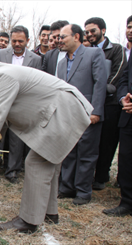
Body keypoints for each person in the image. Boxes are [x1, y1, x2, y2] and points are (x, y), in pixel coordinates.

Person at [0, 56, 93, 233]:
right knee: (48, 163)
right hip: (63, 109)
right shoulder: (0, 75)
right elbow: (2, 117)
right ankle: (49, 213)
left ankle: (28, 221)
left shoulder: (0, 77)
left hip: (63, 110)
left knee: (36, 163)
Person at [57, 24, 107, 205]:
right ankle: (67, 187)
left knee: (86, 154)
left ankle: (83, 192)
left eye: (63, 37)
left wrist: (96, 111)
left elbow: (100, 84)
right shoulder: (61, 63)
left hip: (89, 115)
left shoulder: (93, 54)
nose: (59, 40)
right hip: (68, 115)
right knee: (69, 152)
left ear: (76, 36)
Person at [84, 17, 127, 190]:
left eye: (93, 31)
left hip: (109, 103)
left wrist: (102, 88)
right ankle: (87, 175)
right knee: (90, 141)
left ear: (103, 30)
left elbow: (118, 71)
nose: (89, 34)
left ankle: (101, 176)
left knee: (107, 141)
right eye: (87, 32)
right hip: (90, 102)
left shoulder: (116, 49)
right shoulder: (85, 51)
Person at [0, 25, 42, 183]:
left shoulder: (35, 60)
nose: (16, 44)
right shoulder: (0, 54)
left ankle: (12, 171)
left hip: (22, 104)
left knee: (16, 140)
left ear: (27, 41)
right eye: (13, 41)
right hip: (2, 101)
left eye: (20, 41)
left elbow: (36, 84)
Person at [103, 43, 132, 217]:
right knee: (126, 160)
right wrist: (123, 98)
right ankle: (127, 202)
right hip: (128, 116)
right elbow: (124, 78)